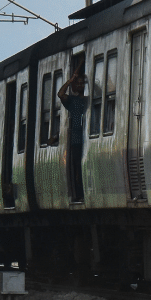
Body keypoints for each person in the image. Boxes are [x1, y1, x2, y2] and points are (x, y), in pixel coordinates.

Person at [57, 69, 88, 202]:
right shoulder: (72, 100)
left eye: (83, 83)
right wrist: (70, 81)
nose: (81, 85)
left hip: (85, 137)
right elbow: (60, 93)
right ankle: (79, 193)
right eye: (78, 83)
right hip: (76, 138)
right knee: (77, 167)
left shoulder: (88, 100)